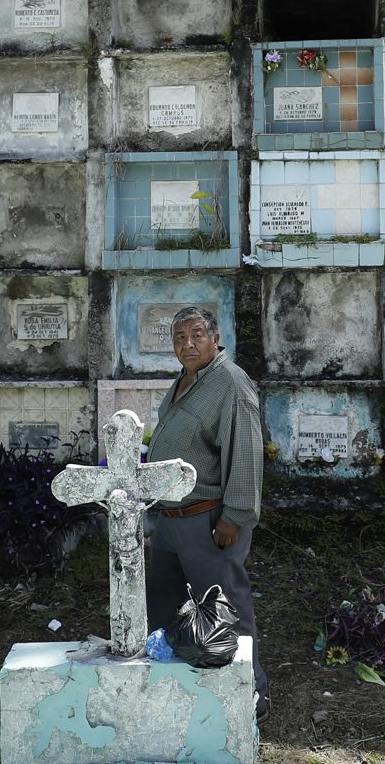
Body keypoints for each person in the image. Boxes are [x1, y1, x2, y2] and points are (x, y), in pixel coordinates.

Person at [145, 305, 269, 721]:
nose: (188, 344)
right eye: (180, 337)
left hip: (209, 520)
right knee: (166, 611)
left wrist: (234, 516)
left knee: (225, 613)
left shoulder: (230, 383)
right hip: (170, 521)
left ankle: (250, 698)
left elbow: (246, 452)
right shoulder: (185, 380)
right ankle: (181, 698)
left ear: (215, 338)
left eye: (197, 334)